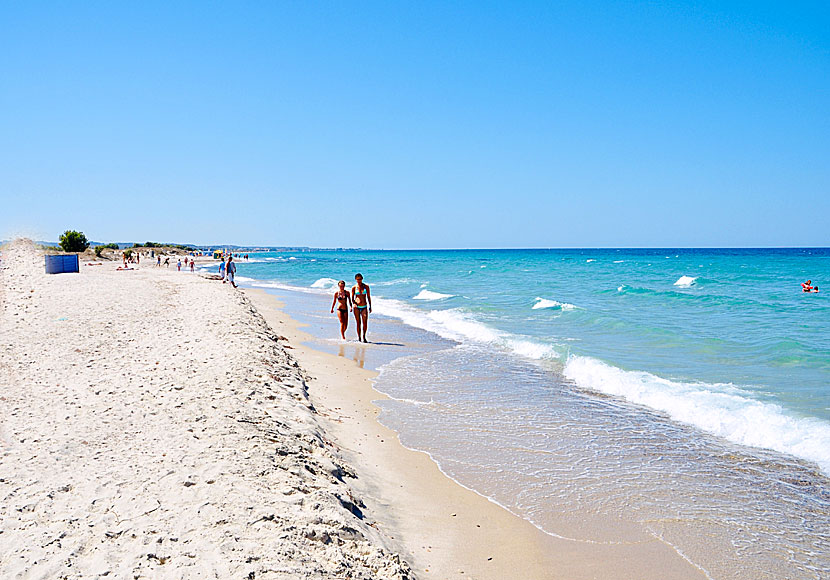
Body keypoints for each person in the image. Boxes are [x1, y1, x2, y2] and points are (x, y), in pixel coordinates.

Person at [351, 273, 372, 342]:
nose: (359, 281)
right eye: (357, 279)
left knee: (365, 322)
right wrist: (353, 304)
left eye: (360, 279)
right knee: (358, 322)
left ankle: (364, 336)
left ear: (362, 279)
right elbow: (352, 298)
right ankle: (359, 337)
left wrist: (370, 306)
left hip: (364, 306)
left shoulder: (366, 286)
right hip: (356, 307)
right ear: (355, 279)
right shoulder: (354, 287)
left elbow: (368, 296)